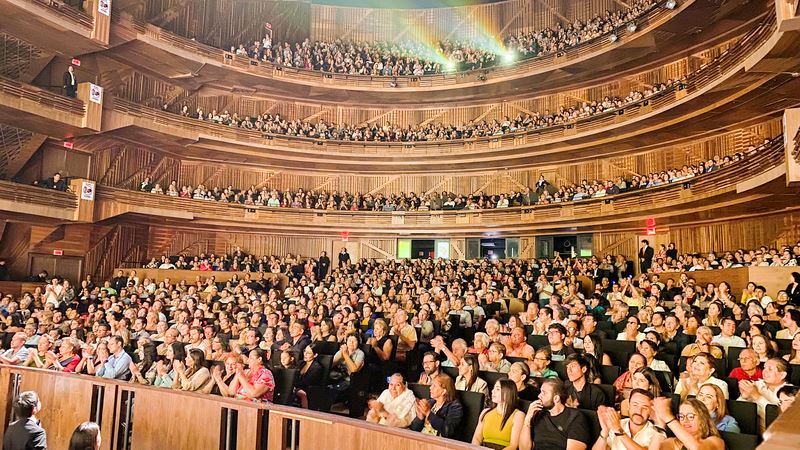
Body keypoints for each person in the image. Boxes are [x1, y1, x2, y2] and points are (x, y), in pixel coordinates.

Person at [519, 378, 591, 450]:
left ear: (556, 398)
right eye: (540, 392)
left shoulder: (575, 417)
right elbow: (524, 448)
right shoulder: (538, 414)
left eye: (544, 393)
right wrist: (527, 419)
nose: (539, 396)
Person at [593, 389, 665, 450]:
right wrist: (604, 431)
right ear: (628, 405)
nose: (639, 411)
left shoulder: (657, 432)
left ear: (651, 411)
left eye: (645, 408)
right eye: (635, 405)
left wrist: (619, 431)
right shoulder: (618, 424)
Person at [649, 397, 725, 450]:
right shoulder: (673, 442)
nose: (685, 420)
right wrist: (660, 424)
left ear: (703, 418)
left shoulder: (716, 441)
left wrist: (667, 417)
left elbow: (696, 448)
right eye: (681, 416)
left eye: (690, 416)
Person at [738, 357, 789, 430]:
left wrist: (757, 396)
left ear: (782, 375)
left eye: (770, 369)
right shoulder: (755, 385)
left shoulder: (791, 393)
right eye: (764, 368)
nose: (764, 372)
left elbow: (780, 419)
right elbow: (738, 412)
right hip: (748, 431)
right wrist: (744, 397)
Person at [472, 379, 525, 449]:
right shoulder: (485, 412)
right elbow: (476, 439)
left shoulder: (518, 415)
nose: (492, 391)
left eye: (497, 389)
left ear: (508, 392)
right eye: (493, 388)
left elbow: (514, 446)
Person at [410, 374, 463, 438]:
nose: (430, 388)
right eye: (431, 385)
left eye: (434, 386)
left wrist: (428, 413)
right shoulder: (430, 402)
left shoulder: (455, 407)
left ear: (444, 391)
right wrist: (420, 418)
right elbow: (413, 429)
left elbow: (447, 431)